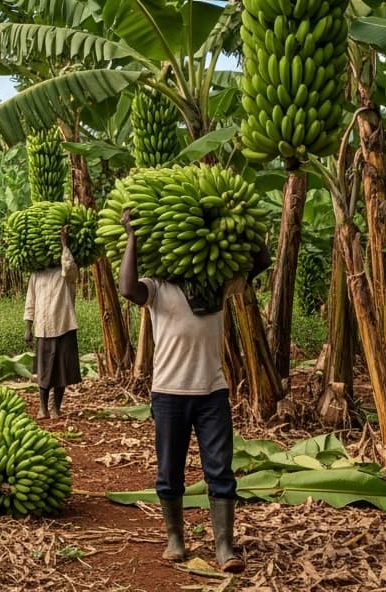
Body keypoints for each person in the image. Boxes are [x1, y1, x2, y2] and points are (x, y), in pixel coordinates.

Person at [117, 209, 268, 574]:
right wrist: (133, 237)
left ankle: (223, 546)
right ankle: (175, 538)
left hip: (212, 392)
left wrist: (246, 225)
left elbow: (261, 261)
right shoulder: (157, 288)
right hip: (168, 392)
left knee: (220, 469)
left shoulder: (218, 285)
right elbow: (126, 288)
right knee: (170, 469)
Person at [24, 226, 82, 419]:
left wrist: (64, 245)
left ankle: (56, 407)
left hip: (64, 324)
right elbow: (30, 301)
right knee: (44, 370)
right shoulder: (36, 275)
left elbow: (70, 269)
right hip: (42, 327)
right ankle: (43, 408)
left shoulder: (65, 273)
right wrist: (28, 327)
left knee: (62, 370)